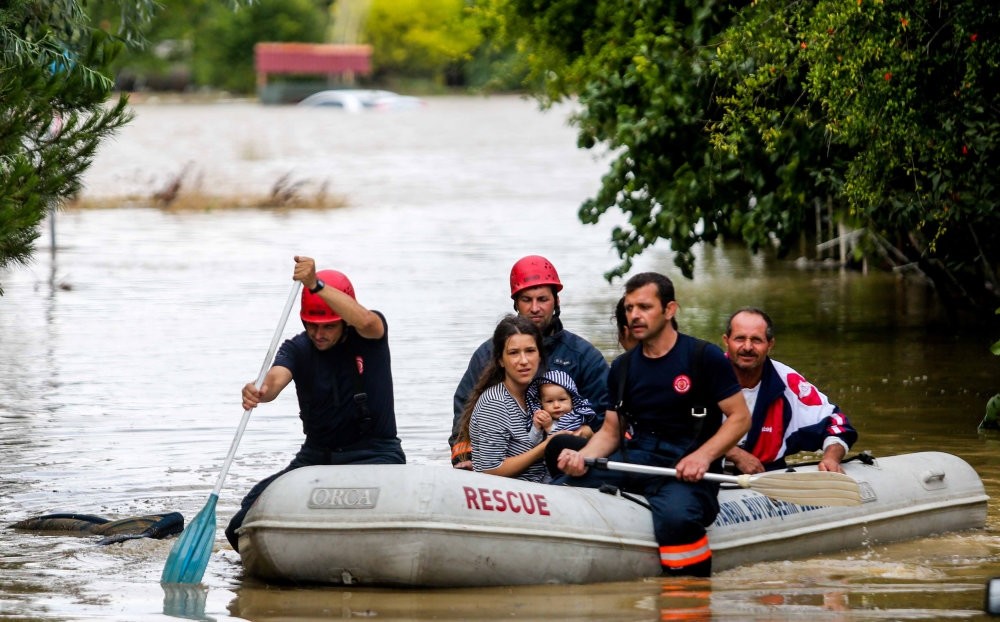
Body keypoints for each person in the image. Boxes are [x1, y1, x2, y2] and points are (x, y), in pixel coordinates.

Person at [550, 272, 751, 577]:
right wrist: (583, 457)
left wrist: (704, 457)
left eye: (644, 307)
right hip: (637, 461)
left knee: (677, 519)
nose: (634, 316)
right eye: (630, 308)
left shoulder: (703, 357)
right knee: (564, 490)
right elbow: (611, 432)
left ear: (670, 310)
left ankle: (688, 597)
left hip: (686, 470)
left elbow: (740, 418)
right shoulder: (622, 368)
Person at [225, 256, 405, 551]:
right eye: (312, 326)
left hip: (375, 454)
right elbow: (276, 379)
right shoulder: (297, 348)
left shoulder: (368, 335)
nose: (318, 334)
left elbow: (366, 320)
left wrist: (315, 284)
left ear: (343, 320)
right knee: (239, 524)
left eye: (328, 327)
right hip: (317, 457)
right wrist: (260, 391)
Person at [449, 255, 610, 468]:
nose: (535, 308)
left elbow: (606, 417)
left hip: (564, 464)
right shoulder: (487, 354)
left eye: (542, 299)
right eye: (526, 300)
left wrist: (587, 434)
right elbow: (464, 412)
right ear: (516, 303)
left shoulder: (583, 356)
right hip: (503, 466)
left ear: (556, 301)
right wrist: (465, 459)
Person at [721, 307, 858, 474]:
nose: (747, 347)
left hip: (767, 474)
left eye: (756, 340)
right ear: (726, 341)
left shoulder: (787, 381)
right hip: (704, 474)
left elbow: (837, 423)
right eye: (740, 339)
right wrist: (734, 453)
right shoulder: (701, 375)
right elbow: (681, 430)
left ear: (770, 344)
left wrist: (831, 458)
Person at [454, 315, 562, 482]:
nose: (524, 361)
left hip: (547, 487)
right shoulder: (494, 403)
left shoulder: (539, 394)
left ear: (540, 355)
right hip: (512, 498)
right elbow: (490, 470)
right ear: (500, 360)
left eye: (530, 351)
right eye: (514, 353)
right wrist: (547, 447)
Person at [525, 369, 597, 446]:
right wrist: (536, 427)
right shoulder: (542, 419)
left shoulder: (577, 419)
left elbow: (564, 442)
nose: (556, 406)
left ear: (572, 401)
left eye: (562, 399)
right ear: (541, 403)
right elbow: (530, 445)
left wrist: (549, 427)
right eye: (549, 401)